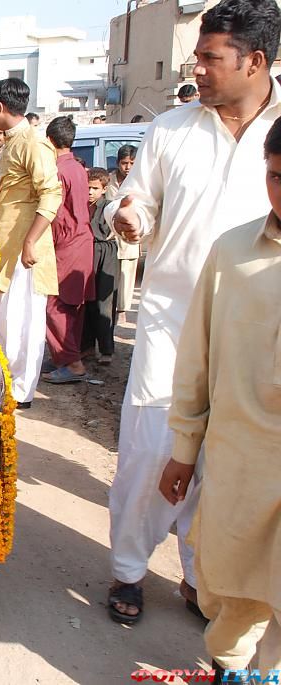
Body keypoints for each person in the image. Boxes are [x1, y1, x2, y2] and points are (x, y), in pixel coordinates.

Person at [103, 0, 281, 626]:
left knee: (227, 461)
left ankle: (203, 579)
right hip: (171, 321)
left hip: (260, 332)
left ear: (255, 61)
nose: (196, 68)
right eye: (197, 56)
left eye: (210, 58)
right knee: (153, 450)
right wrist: (129, 218)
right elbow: (135, 203)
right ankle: (128, 570)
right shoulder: (171, 128)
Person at [158, 115, 281, 680]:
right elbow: (197, 362)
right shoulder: (233, 253)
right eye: (276, 177)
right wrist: (184, 448)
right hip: (239, 466)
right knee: (231, 594)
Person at [0, 78, 62, 408]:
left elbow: (51, 194)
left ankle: (21, 391)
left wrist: (30, 242)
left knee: (22, 321)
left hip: (25, 250)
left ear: (0, 108)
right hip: (7, 245)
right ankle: (5, 384)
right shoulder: (13, 142)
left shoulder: (33, 143)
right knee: (1, 320)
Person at [41, 116, 94, 384]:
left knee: (55, 305)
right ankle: (63, 356)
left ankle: (73, 363)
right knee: (72, 307)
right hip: (81, 242)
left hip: (67, 243)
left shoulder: (59, 171)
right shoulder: (77, 167)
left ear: (50, 141)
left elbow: (58, 214)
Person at [81, 167, 117, 365]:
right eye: (87, 187)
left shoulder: (109, 207)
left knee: (104, 303)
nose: (90, 192)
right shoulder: (82, 206)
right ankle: (86, 347)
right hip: (86, 253)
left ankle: (106, 349)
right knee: (86, 302)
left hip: (105, 254)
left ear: (104, 188)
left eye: (95, 188)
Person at [105, 144, 139, 323]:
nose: (128, 167)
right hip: (109, 236)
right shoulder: (108, 180)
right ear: (118, 163)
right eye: (125, 163)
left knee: (127, 274)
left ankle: (122, 310)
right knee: (109, 274)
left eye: (132, 163)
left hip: (128, 237)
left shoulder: (139, 182)